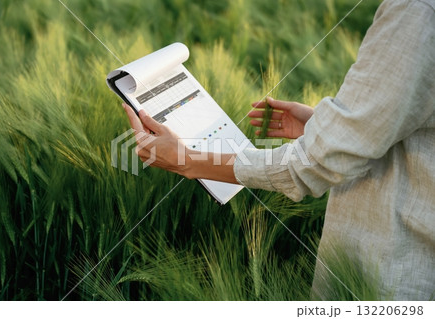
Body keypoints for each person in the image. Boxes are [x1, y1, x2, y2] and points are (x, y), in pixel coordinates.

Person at [123, 0, 434, 300]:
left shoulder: (416, 12)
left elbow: (312, 164)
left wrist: (188, 161)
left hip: (390, 278)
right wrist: (326, 129)